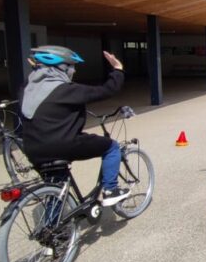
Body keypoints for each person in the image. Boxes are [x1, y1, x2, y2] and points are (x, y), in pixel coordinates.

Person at [20, 46, 129, 206]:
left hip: (33, 149)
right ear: (61, 67)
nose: (74, 71)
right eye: (71, 66)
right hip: (62, 145)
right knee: (112, 147)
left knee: (57, 188)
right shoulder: (66, 90)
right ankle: (111, 190)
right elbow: (107, 90)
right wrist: (118, 70)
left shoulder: (26, 89)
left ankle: (53, 227)